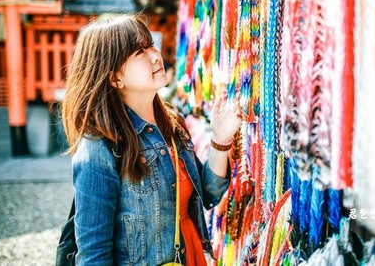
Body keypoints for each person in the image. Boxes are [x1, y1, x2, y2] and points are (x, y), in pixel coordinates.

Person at [61, 14, 242, 265]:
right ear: (115, 78)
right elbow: (93, 253)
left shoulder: (172, 124)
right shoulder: (99, 148)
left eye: (150, 45)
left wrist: (220, 139)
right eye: (139, 53)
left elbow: (207, 195)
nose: (155, 56)